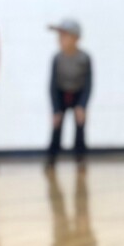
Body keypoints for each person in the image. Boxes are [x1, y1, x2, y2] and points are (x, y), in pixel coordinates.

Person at [47, 19, 92, 169]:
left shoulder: (84, 58)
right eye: (59, 36)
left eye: (64, 36)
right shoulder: (57, 58)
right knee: (57, 126)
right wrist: (55, 109)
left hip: (78, 93)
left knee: (80, 125)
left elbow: (88, 84)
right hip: (61, 94)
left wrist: (82, 105)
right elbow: (52, 85)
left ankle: (80, 158)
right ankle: (51, 158)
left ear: (76, 38)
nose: (60, 39)